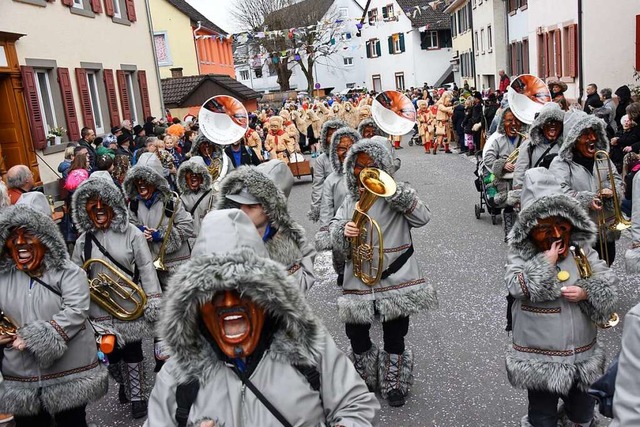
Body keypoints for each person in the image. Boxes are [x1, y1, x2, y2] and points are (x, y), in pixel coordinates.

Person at [144, 208, 379, 426]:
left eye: (242, 287)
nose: (228, 302)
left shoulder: (307, 343)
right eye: (213, 291)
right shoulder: (178, 374)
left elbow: (355, 404)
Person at [505, 167, 618, 427]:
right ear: (530, 228)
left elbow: (607, 279)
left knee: (582, 415)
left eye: (561, 225)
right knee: (542, 416)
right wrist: (543, 263)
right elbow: (514, 285)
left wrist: (587, 291)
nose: (556, 235)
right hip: (539, 356)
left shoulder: (581, 249)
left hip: (581, 354)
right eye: (545, 228)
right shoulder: (521, 253)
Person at [329, 139, 437, 407]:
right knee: (356, 334)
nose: (364, 171)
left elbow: (423, 218)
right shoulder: (349, 197)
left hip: (396, 277)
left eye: (372, 165)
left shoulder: (399, 193)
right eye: (359, 165)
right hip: (360, 280)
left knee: (395, 333)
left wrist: (397, 194)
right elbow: (333, 228)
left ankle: (394, 381)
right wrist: (343, 230)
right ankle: (365, 375)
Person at [0, 192, 108, 426]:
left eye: (28, 234)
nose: (20, 242)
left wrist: (34, 337)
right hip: (22, 376)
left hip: (68, 373)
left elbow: (76, 311)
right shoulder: (3, 276)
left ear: (46, 237)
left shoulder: (69, 272)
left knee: (72, 422)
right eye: (14, 235)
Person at [71, 173, 162, 419]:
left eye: (104, 203)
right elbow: (74, 276)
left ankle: (137, 396)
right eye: (93, 205)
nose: (99, 209)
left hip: (128, 305)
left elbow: (145, 267)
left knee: (133, 352)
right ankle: (124, 383)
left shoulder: (131, 233)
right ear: (85, 210)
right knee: (111, 356)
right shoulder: (83, 241)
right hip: (99, 310)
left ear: (114, 205)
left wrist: (153, 298)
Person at [217, 160, 316, 293]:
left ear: (271, 209)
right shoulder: (225, 234)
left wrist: (284, 255)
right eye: (239, 204)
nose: (242, 210)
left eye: (251, 206)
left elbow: (299, 291)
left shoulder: (295, 238)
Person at [549, 109, 623, 266]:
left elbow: (616, 179)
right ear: (573, 139)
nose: (593, 138)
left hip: (605, 230)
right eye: (586, 134)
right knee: (582, 275)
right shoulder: (560, 163)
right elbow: (558, 193)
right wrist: (586, 199)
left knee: (605, 267)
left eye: (594, 133)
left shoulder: (602, 157)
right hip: (577, 232)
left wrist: (612, 189)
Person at [315, 127, 361, 287]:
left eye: (351, 147)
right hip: (340, 226)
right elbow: (327, 207)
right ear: (335, 151)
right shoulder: (331, 180)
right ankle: (342, 272)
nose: (347, 152)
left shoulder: (365, 174)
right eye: (342, 148)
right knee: (341, 255)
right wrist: (326, 230)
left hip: (363, 228)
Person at [483, 107, 524, 239]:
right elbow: (488, 158)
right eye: (509, 121)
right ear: (503, 123)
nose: (513, 124)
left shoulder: (525, 139)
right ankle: (509, 232)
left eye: (516, 121)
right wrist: (503, 164)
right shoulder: (497, 140)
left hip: (522, 178)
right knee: (508, 205)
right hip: (504, 180)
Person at [513, 102, 565, 190]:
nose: (553, 124)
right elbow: (520, 172)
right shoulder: (529, 145)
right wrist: (518, 196)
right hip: (535, 194)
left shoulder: (566, 146)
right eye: (548, 121)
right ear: (541, 125)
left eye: (556, 121)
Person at [307, 119, 347, 222]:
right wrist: (316, 206)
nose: (334, 137)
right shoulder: (322, 160)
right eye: (330, 135)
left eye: (337, 133)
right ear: (325, 137)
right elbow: (318, 184)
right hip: (331, 203)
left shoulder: (351, 155)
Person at [176, 157, 215, 249]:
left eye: (197, 173)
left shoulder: (213, 195)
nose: (193, 176)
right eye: (190, 173)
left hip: (210, 239)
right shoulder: (181, 198)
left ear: (203, 176)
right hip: (190, 244)